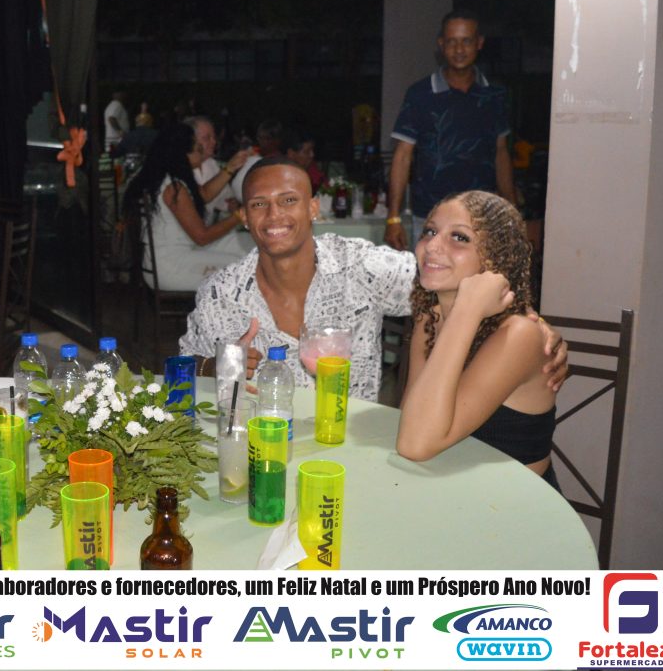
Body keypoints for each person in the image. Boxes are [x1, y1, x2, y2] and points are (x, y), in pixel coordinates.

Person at [179, 157, 567, 401]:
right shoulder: (221, 293)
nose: (274, 215)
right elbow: (179, 371)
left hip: (355, 449)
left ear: (313, 208)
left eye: (289, 200)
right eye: (259, 204)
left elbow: (454, 275)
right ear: (244, 217)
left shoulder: (360, 268)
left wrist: (528, 323)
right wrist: (213, 366)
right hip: (262, 453)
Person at [395, 191, 558, 488]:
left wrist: (467, 309)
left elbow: (415, 444)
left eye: (459, 237)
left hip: (515, 503)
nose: (432, 245)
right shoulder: (430, 319)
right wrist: (461, 313)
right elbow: (412, 419)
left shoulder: (519, 334)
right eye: (430, 231)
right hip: (449, 491)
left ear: (494, 257)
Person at [385, 9, 517, 250]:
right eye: (452, 42)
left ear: (479, 43)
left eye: (466, 41)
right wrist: (393, 217)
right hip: (430, 217)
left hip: (482, 220)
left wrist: (512, 211)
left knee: (478, 276)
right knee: (429, 275)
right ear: (441, 44)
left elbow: (501, 153)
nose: (459, 49)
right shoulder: (420, 94)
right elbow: (402, 156)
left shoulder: (494, 95)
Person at [123, 122, 250, 292]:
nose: (202, 152)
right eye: (197, 148)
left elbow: (203, 194)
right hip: (171, 267)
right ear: (182, 153)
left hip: (169, 259)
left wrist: (230, 167)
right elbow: (202, 237)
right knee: (243, 270)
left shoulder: (168, 179)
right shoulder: (173, 188)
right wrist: (239, 216)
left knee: (244, 248)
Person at [186, 115, 246, 222]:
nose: (213, 142)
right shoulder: (178, 168)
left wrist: (231, 204)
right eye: (206, 138)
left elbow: (225, 198)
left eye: (214, 137)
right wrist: (230, 167)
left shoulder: (211, 163)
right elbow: (203, 197)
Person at [231, 118, 286, 201]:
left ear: (276, 140)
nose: (261, 142)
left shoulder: (279, 162)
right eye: (259, 138)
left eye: (266, 138)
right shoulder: (254, 153)